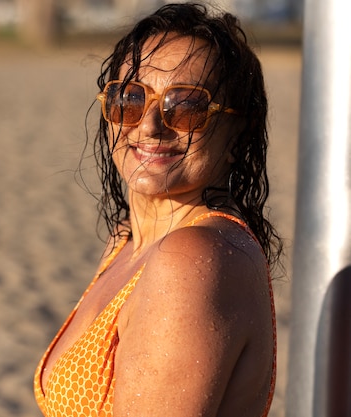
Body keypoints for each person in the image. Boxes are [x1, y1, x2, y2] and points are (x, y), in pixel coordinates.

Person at [34, 3, 283, 417]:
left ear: (238, 130)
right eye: (129, 98)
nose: (149, 125)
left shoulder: (190, 260)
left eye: (185, 106)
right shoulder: (128, 240)